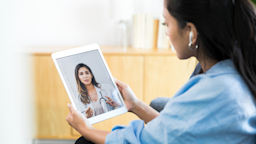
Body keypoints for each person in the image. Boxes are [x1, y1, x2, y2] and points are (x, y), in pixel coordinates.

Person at [66, 0, 256, 143]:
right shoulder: (234, 69)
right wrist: (135, 105)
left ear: (191, 31)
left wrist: (85, 128)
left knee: (85, 141)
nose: (166, 32)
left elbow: (143, 140)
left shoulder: (214, 91)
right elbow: (179, 127)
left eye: (166, 24)